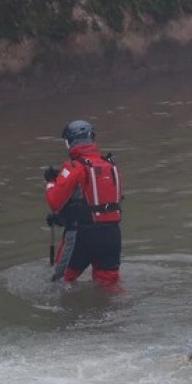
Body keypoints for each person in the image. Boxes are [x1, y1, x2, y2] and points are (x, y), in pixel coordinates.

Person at [44, 119, 123, 290]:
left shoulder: (74, 167)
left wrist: (51, 182)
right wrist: (62, 218)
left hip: (83, 236)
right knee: (109, 287)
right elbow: (100, 201)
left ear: (70, 143)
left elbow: (54, 202)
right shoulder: (110, 166)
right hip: (112, 235)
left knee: (59, 284)